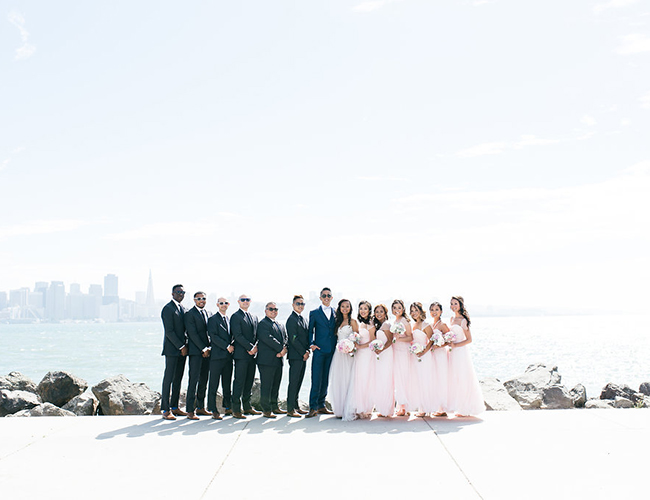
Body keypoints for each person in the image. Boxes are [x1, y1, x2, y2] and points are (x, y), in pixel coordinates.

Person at [447, 296, 485, 417]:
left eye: (455, 304)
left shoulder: (463, 320)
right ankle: (457, 406)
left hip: (461, 352)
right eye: (452, 304)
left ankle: (465, 408)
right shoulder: (452, 319)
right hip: (452, 352)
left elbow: (469, 340)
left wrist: (456, 344)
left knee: (462, 378)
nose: (453, 306)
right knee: (453, 378)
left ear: (460, 305)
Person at [306, 287, 337, 418]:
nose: (326, 297)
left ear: (331, 297)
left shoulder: (336, 312)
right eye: (324, 295)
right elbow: (309, 330)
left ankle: (321, 405)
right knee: (316, 378)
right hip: (319, 351)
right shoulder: (314, 313)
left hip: (332, 350)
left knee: (325, 378)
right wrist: (311, 344)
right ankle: (312, 407)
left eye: (328, 295)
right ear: (320, 298)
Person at [160, 284, 188, 420]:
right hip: (172, 350)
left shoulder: (184, 309)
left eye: (183, 292)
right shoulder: (168, 309)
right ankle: (165, 409)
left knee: (178, 379)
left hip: (183, 351)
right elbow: (169, 331)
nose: (181, 294)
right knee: (168, 379)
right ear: (172, 294)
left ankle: (175, 407)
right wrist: (181, 346)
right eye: (178, 292)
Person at [230, 294, 260, 419]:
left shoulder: (254, 317)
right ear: (238, 302)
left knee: (249, 382)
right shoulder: (235, 316)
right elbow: (237, 335)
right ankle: (236, 409)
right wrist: (250, 347)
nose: (245, 302)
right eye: (243, 300)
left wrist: (255, 347)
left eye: (247, 300)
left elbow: (257, 335)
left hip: (252, 356)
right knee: (239, 381)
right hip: (241, 355)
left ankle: (247, 407)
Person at [256, 302, 288, 418]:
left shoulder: (280, 324)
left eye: (275, 309)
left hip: (278, 360)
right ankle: (266, 409)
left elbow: (285, 338)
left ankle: (275, 407)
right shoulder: (262, 324)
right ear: (266, 311)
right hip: (266, 360)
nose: (273, 311)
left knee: (276, 385)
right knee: (266, 385)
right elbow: (267, 338)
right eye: (271, 309)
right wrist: (280, 349)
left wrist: (284, 350)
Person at [328, 299, 358, 421]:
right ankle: (339, 409)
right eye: (342, 306)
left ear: (350, 308)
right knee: (338, 380)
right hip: (338, 354)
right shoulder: (337, 321)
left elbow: (357, 338)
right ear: (339, 308)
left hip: (348, 354)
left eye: (347, 306)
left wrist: (350, 348)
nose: (345, 308)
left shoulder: (353, 321)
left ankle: (349, 408)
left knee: (348, 379)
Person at [184, 291, 212, 419]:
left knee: (204, 380)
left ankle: (201, 407)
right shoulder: (190, 314)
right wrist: (203, 348)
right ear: (194, 300)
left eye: (204, 298)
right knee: (193, 380)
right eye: (199, 298)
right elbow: (192, 334)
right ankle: (190, 410)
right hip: (196, 352)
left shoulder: (208, 313)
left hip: (208, 353)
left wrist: (209, 348)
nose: (202, 300)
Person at [206, 297, 234, 420]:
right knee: (213, 384)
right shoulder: (212, 319)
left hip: (228, 358)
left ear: (228, 305)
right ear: (217, 305)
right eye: (221, 303)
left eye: (225, 303)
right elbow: (213, 336)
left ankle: (228, 407)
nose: (223, 305)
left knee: (227, 384)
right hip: (217, 357)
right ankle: (213, 409)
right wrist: (227, 346)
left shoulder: (229, 319)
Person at [285, 295, 310, 417]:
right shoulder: (291, 319)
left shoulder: (303, 319)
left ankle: (296, 406)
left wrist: (308, 350)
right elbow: (293, 339)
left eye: (302, 304)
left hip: (303, 355)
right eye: (298, 304)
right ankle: (290, 409)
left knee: (299, 381)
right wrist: (303, 352)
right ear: (293, 305)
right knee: (293, 382)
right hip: (295, 356)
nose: (300, 306)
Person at [409, 302, 434, 416]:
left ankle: (425, 408)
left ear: (420, 311)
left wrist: (424, 351)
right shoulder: (413, 325)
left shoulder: (426, 325)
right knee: (418, 380)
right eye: (412, 311)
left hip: (424, 355)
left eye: (416, 310)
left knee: (425, 379)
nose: (414, 313)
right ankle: (421, 408)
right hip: (416, 355)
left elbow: (432, 340)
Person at [353, 300, 375, 418]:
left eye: (365, 309)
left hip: (367, 353)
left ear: (369, 310)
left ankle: (366, 408)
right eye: (361, 308)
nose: (363, 311)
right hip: (359, 354)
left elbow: (372, 341)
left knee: (366, 379)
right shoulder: (360, 323)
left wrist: (361, 346)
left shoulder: (370, 324)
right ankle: (359, 406)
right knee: (359, 379)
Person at [372, 304, 394, 417]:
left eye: (381, 311)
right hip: (380, 355)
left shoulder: (386, 324)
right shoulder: (378, 325)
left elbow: (390, 341)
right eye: (376, 312)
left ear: (385, 313)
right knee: (381, 380)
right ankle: (382, 408)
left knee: (386, 380)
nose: (379, 314)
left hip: (386, 354)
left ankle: (387, 409)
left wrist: (381, 350)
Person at [391, 299, 412, 417]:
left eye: (399, 308)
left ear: (403, 309)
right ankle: (401, 406)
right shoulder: (395, 320)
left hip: (403, 351)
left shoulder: (404, 321)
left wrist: (399, 339)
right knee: (398, 379)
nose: (397, 310)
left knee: (404, 378)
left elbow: (410, 337)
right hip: (396, 351)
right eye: (394, 308)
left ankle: (405, 407)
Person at [429, 302, 450, 416]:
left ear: (441, 311)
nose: (434, 312)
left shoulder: (442, 325)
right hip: (433, 355)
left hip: (441, 354)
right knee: (435, 379)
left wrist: (439, 345)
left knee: (442, 378)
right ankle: (438, 407)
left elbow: (449, 340)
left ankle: (443, 408)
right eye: (432, 310)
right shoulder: (432, 325)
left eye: (436, 309)